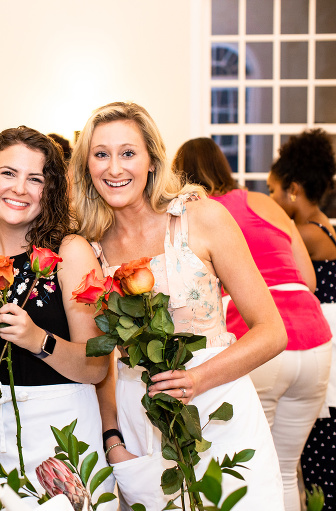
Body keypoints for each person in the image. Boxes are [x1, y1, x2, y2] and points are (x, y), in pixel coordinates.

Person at [71, 102, 285, 510]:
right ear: (87, 166)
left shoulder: (200, 217)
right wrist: (113, 439)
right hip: (141, 423)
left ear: (152, 160)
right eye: (101, 154)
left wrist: (197, 379)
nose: (114, 168)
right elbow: (101, 362)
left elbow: (272, 331)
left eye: (128, 153)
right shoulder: (88, 248)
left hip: (220, 410)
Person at [0, 126, 113, 509]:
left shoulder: (70, 252)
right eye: (8, 173)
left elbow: (96, 368)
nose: (19, 188)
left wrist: (38, 340)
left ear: (51, 190)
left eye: (35, 179)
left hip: (61, 433)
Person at [174, 136, 331, 511]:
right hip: (316, 340)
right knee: (288, 468)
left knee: (255, 472)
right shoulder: (262, 201)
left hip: (261, 341)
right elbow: (307, 278)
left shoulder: (199, 213)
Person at [265, 129, 336, 510]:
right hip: (324, 335)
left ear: (292, 190)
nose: (273, 200)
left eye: (274, 191)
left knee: (310, 458)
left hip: (317, 337)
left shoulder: (304, 233)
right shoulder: (325, 224)